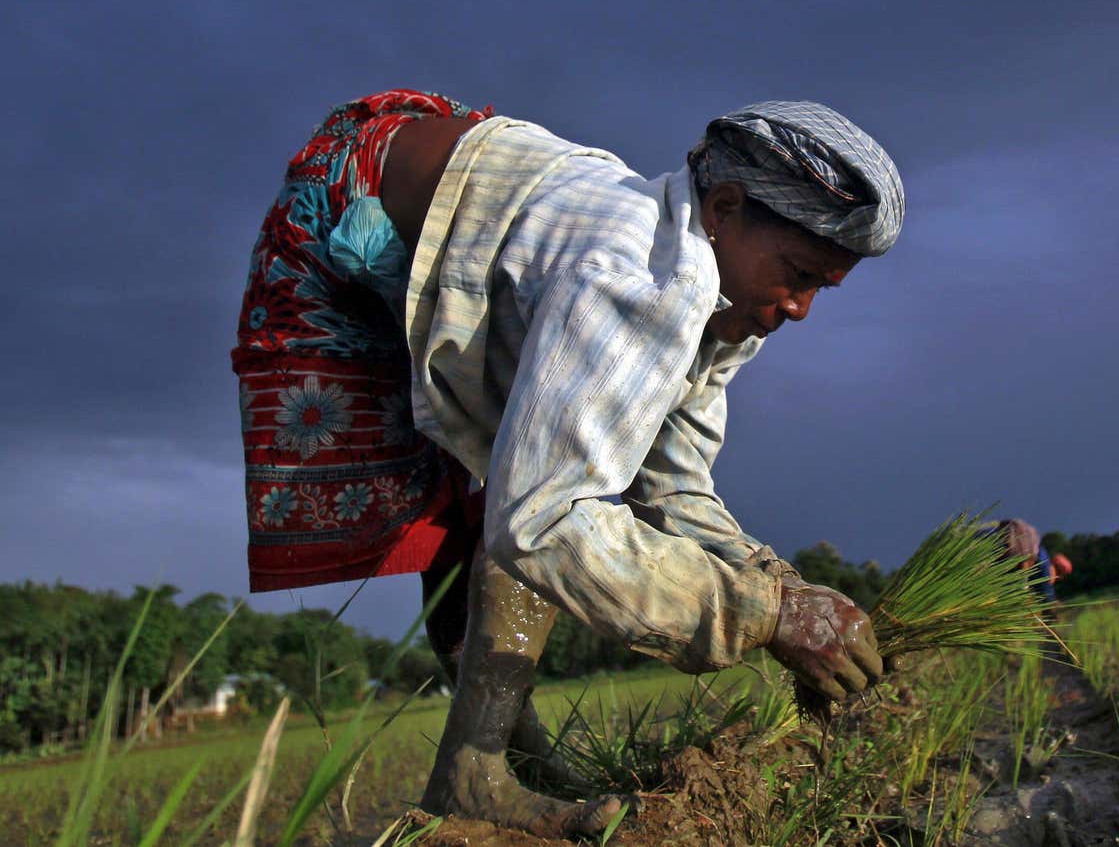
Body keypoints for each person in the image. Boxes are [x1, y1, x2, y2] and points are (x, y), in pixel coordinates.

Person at [232, 90, 903, 836]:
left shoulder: (729, 299)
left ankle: (501, 763)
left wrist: (771, 577)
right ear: (723, 209)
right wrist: (764, 617)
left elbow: (672, 473)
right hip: (356, 204)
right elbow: (542, 520)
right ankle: (476, 772)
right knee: (518, 498)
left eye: (823, 288)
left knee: (537, 476)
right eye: (801, 274)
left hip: (463, 190)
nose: (803, 308)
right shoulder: (638, 278)